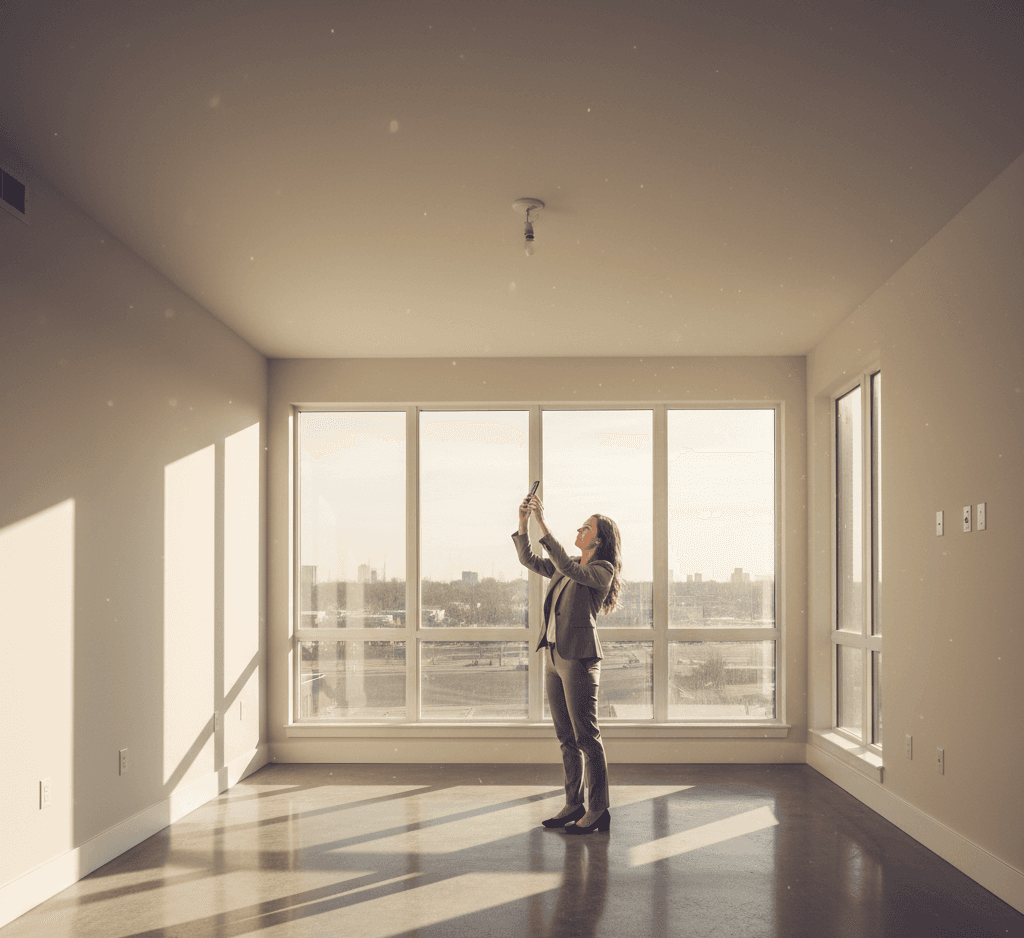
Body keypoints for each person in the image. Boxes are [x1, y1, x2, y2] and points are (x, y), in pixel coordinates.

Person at [512, 492, 622, 834]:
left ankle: (598, 809)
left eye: (586, 528)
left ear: (598, 540)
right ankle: (574, 803)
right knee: (566, 737)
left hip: (579, 658)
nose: (579, 530)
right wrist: (523, 524)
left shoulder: (601, 569)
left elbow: (569, 567)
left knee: (587, 736)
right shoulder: (567, 565)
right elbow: (530, 560)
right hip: (554, 655)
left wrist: (542, 522)